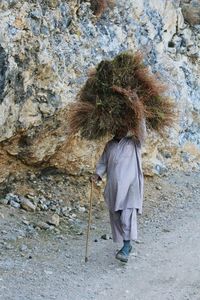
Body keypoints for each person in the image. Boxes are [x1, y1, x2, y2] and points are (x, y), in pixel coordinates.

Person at [91, 127, 144, 263]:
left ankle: (126, 248)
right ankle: (126, 244)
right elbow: (103, 162)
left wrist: (141, 116)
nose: (120, 130)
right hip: (114, 188)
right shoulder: (110, 145)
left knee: (127, 216)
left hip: (131, 187)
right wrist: (97, 174)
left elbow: (143, 132)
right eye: (117, 127)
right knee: (117, 217)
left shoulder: (134, 142)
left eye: (123, 127)